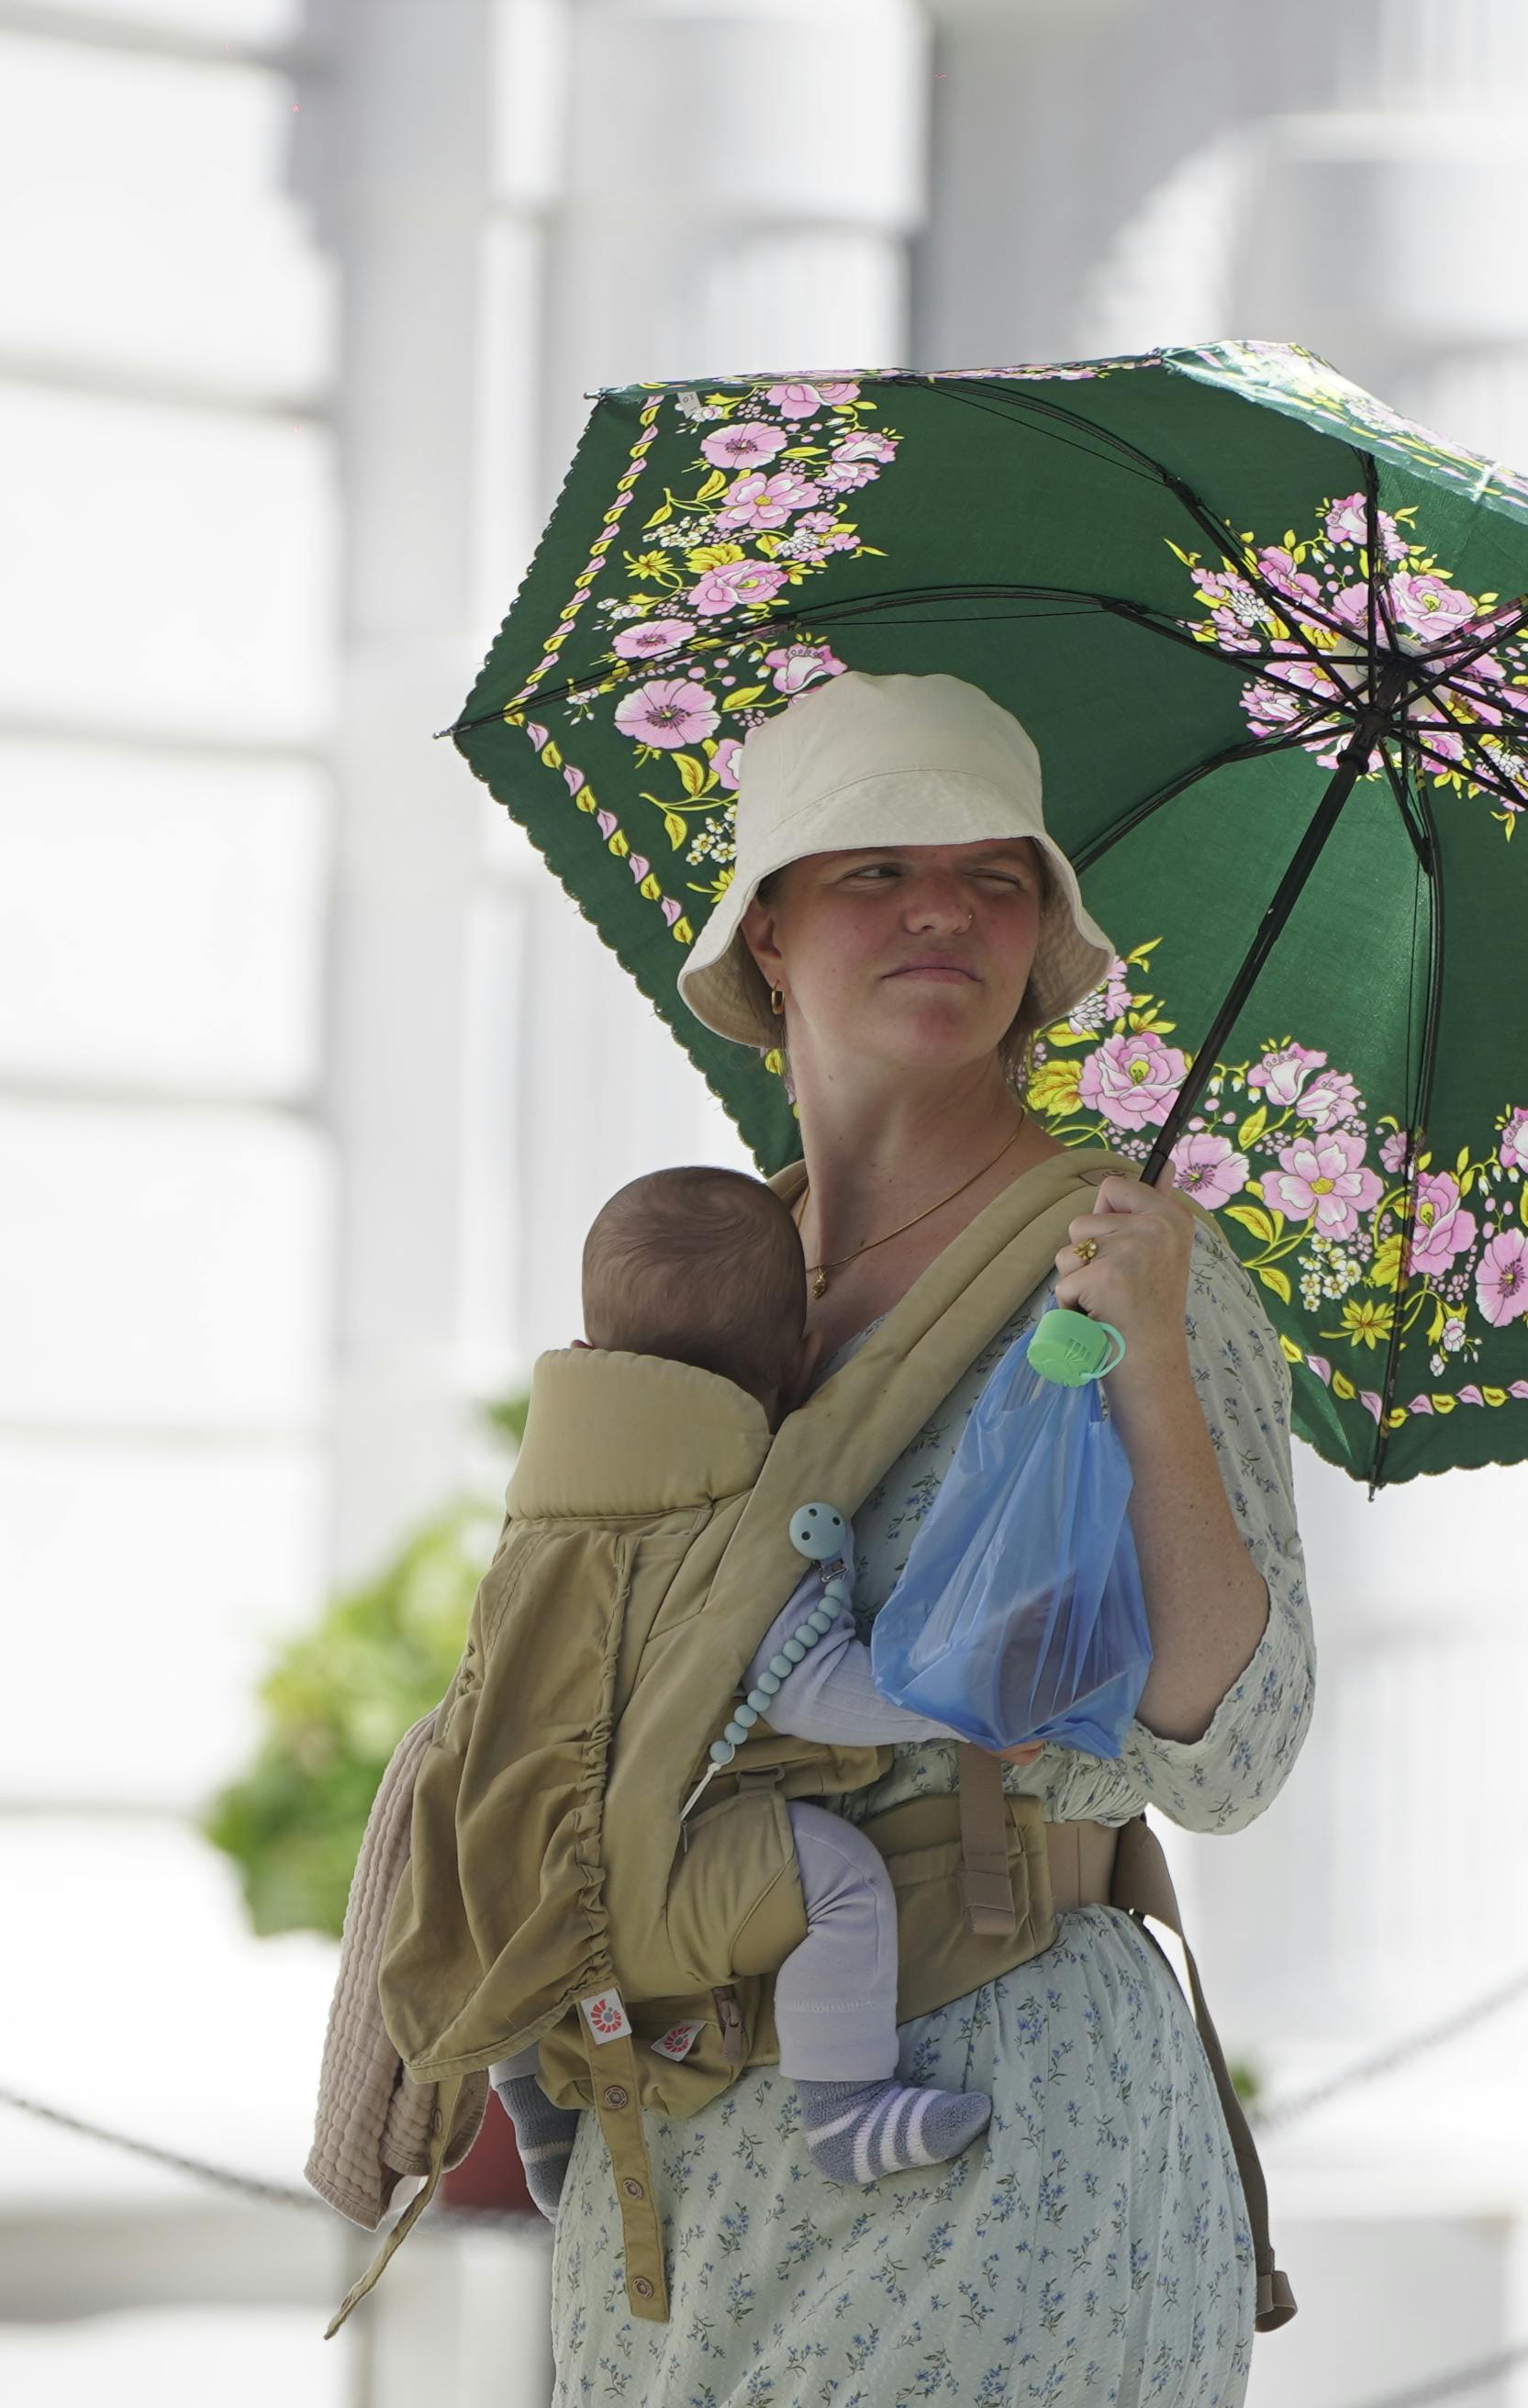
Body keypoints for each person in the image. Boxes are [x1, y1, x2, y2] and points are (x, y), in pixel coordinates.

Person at [543, 669, 1316, 2405]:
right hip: (681, 2132)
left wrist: (1153, 1367)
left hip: (1000, 2114)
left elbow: (1233, 1752)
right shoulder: (693, 1277)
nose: (944, 909)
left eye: (996, 872)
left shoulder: (1130, 1264)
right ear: (766, 935)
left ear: (1043, 931)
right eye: (874, 865)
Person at [486, 1164, 999, 2203]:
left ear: (589, 1357)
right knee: (838, 1881)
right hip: (647, 1882)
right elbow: (810, 1690)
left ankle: (535, 2100)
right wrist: (963, 1695)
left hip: (519, 1863)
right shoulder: (750, 1518)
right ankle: (847, 2109)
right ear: (801, 1362)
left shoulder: (538, 1509)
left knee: (487, 1879)